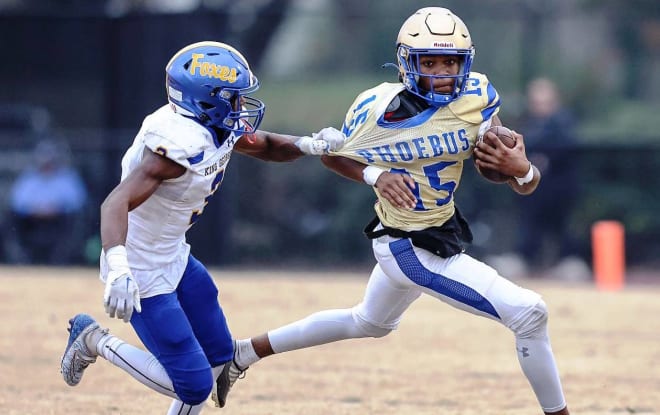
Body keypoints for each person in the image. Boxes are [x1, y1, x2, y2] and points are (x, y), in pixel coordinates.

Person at [220, 8, 570, 415]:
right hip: (405, 246)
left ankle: (241, 354)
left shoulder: (477, 98)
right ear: (408, 62)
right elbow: (334, 156)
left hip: (440, 229)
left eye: (451, 61)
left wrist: (522, 171)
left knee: (368, 322)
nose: (443, 72)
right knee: (530, 314)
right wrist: (375, 175)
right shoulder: (377, 110)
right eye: (431, 61)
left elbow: (513, 177)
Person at [59, 41, 345, 414]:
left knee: (221, 355)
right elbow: (116, 202)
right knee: (193, 385)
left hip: (174, 251)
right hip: (140, 267)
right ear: (206, 99)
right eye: (233, 97)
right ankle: (93, 338)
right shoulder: (178, 145)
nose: (242, 106)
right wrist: (118, 268)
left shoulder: (211, 122)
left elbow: (267, 145)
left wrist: (311, 144)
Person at [515, 77, 579, 271]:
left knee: (561, 227)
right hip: (533, 190)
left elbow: (566, 151)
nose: (540, 106)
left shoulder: (564, 123)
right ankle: (525, 260)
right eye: (536, 102)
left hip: (559, 188)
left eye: (545, 102)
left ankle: (569, 262)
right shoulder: (528, 123)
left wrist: (546, 160)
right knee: (530, 226)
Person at [4, 139, 88, 264]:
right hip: (32, 220)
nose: (47, 163)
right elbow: (17, 202)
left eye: (50, 159)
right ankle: (21, 259)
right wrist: (35, 209)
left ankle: (61, 260)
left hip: (59, 219)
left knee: (75, 220)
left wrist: (56, 208)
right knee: (11, 218)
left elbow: (78, 202)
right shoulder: (29, 178)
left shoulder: (67, 177)